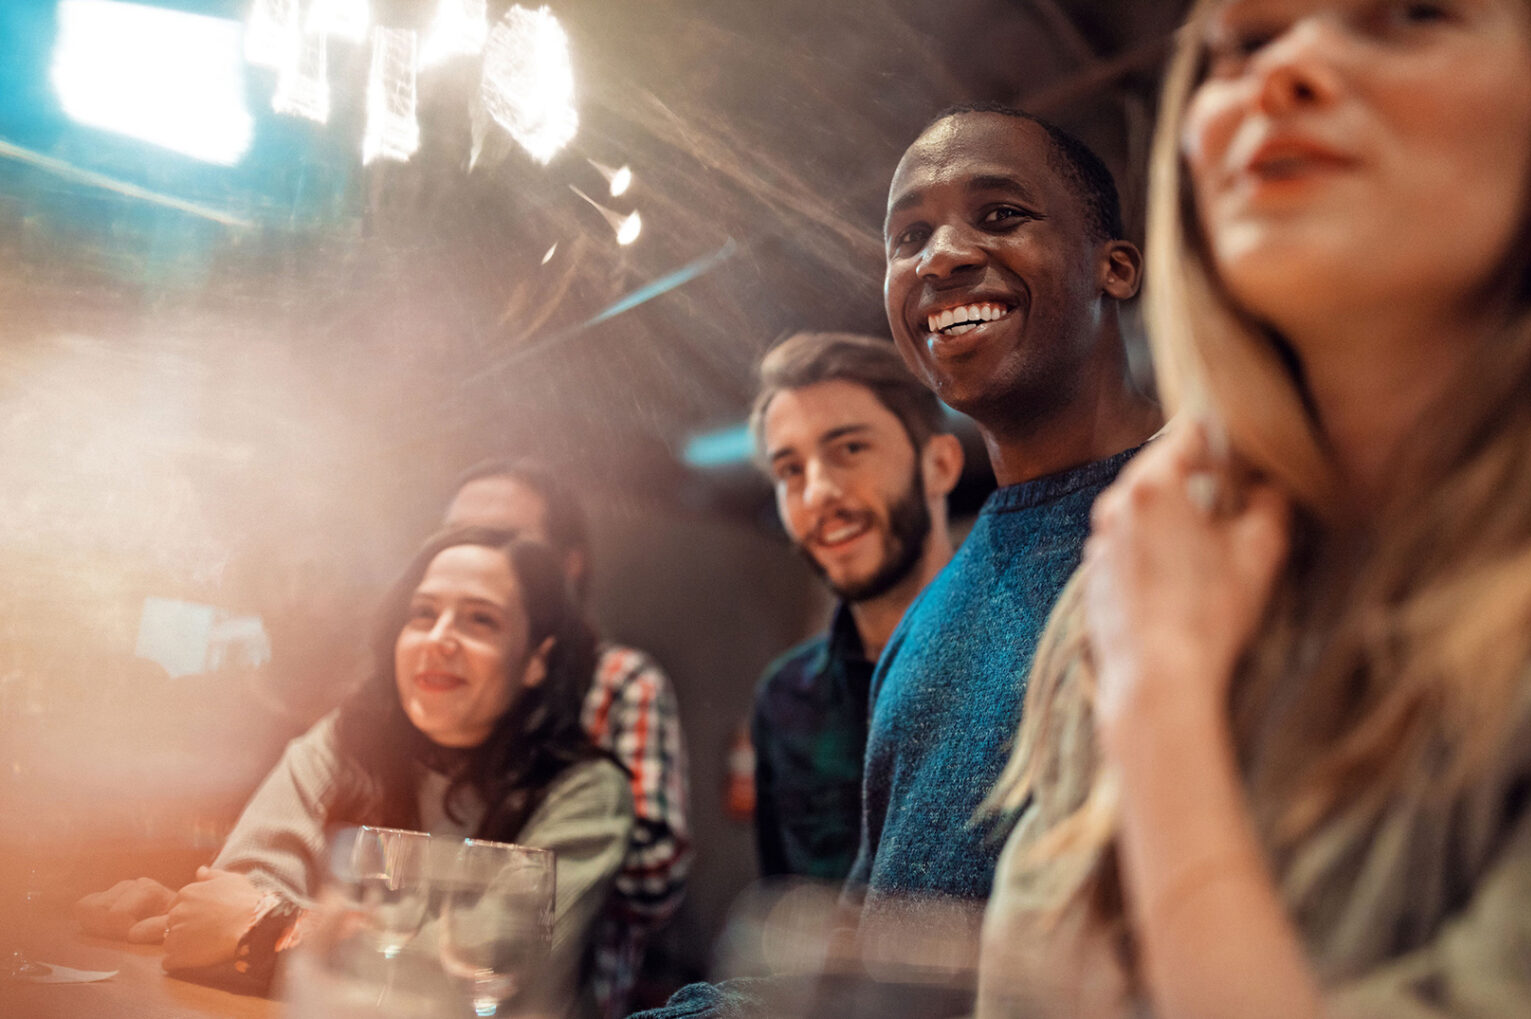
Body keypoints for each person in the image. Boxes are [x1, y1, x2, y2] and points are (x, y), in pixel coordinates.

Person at [980, 2, 1531, 1017]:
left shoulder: (1144, 624)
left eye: (1409, 15)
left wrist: (1160, 708)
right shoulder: (1141, 574)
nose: (1290, 70)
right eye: (1243, 45)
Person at [632, 108, 1161, 1018]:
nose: (941, 257)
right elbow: (878, 951)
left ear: (1114, 266)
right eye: (908, 236)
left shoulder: (1215, 518)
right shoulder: (936, 613)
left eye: (1000, 214)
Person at [76, 528, 633, 1016]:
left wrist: (280, 929)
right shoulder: (346, 738)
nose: (439, 638)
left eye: (480, 620)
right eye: (422, 614)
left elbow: (488, 979)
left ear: (536, 658)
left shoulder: (584, 790)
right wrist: (268, 929)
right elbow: (231, 904)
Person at [444, 460, 690, 1016]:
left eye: (507, 539)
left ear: (569, 567)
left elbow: (656, 881)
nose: (477, 555)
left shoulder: (622, 680)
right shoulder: (423, 672)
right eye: (456, 536)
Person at [748, 331, 962, 881]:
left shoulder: (1024, 662)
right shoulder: (784, 699)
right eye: (790, 470)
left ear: (939, 464)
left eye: (849, 449)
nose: (817, 493)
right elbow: (789, 918)